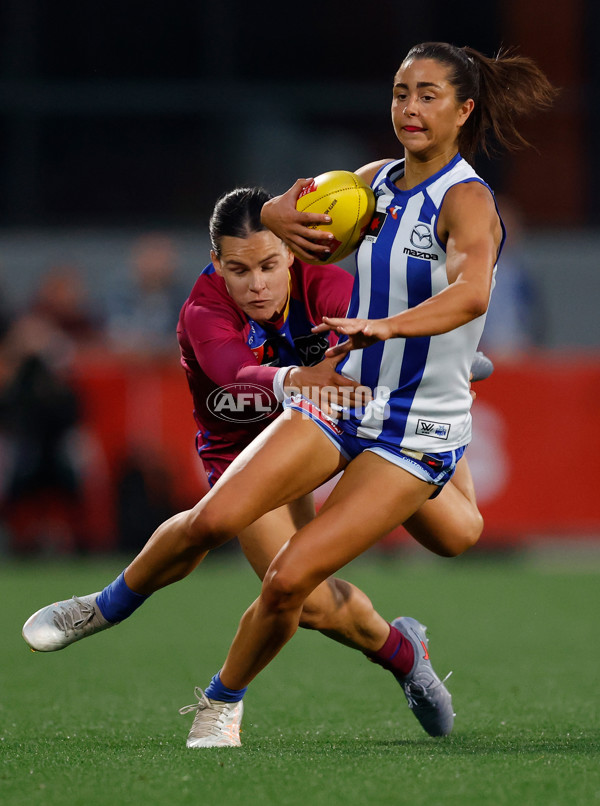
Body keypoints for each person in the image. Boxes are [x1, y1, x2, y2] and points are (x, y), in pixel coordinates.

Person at [24, 36, 556, 745]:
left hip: (411, 428)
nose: (410, 108)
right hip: (343, 397)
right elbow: (281, 205)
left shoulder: (465, 201)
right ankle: (104, 606)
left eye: (428, 95)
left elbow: (470, 294)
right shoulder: (370, 182)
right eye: (401, 92)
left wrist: (388, 327)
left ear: (464, 110)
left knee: (295, 578)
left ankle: (221, 702)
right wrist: (278, 217)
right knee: (213, 519)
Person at [23, 181, 492, 738]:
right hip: (245, 445)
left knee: (461, 534)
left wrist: (441, 369)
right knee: (297, 592)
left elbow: (392, 343)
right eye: (239, 270)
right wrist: (296, 378)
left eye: (269, 265)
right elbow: (234, 374)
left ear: (291, 252)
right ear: (216, 264)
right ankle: (108, 609)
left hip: (342, 424)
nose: (257, 284)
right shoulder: (203, 310)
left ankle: (441, 454)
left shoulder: (329, 287)